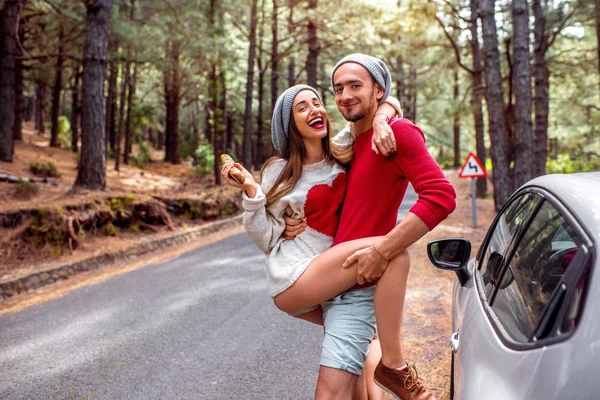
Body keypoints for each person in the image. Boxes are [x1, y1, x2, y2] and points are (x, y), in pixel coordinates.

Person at [220, 83, 428, 399]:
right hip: (296, 278)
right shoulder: (279, 170)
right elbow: (264, 237)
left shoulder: (343, 151)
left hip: (332, 279)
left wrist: (383, 118)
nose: (314, 109)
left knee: (359, 352)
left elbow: (388, 100)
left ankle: (380, 373)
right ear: (290, 126)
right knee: (393, 252)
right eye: (301, 107)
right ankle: (394, 364)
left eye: (316, 102)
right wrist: (252, 190)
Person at [282, 54, 457, 400]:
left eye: (355, 85)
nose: (345, 94)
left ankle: (394, 368)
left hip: (357, 283)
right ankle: (390, 369)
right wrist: (292, 223)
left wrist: (383, 251)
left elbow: (440, 195)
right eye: (338, 88)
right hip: (329, 276)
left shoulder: (397, 135)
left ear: (377, 90)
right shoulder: (343, 146)